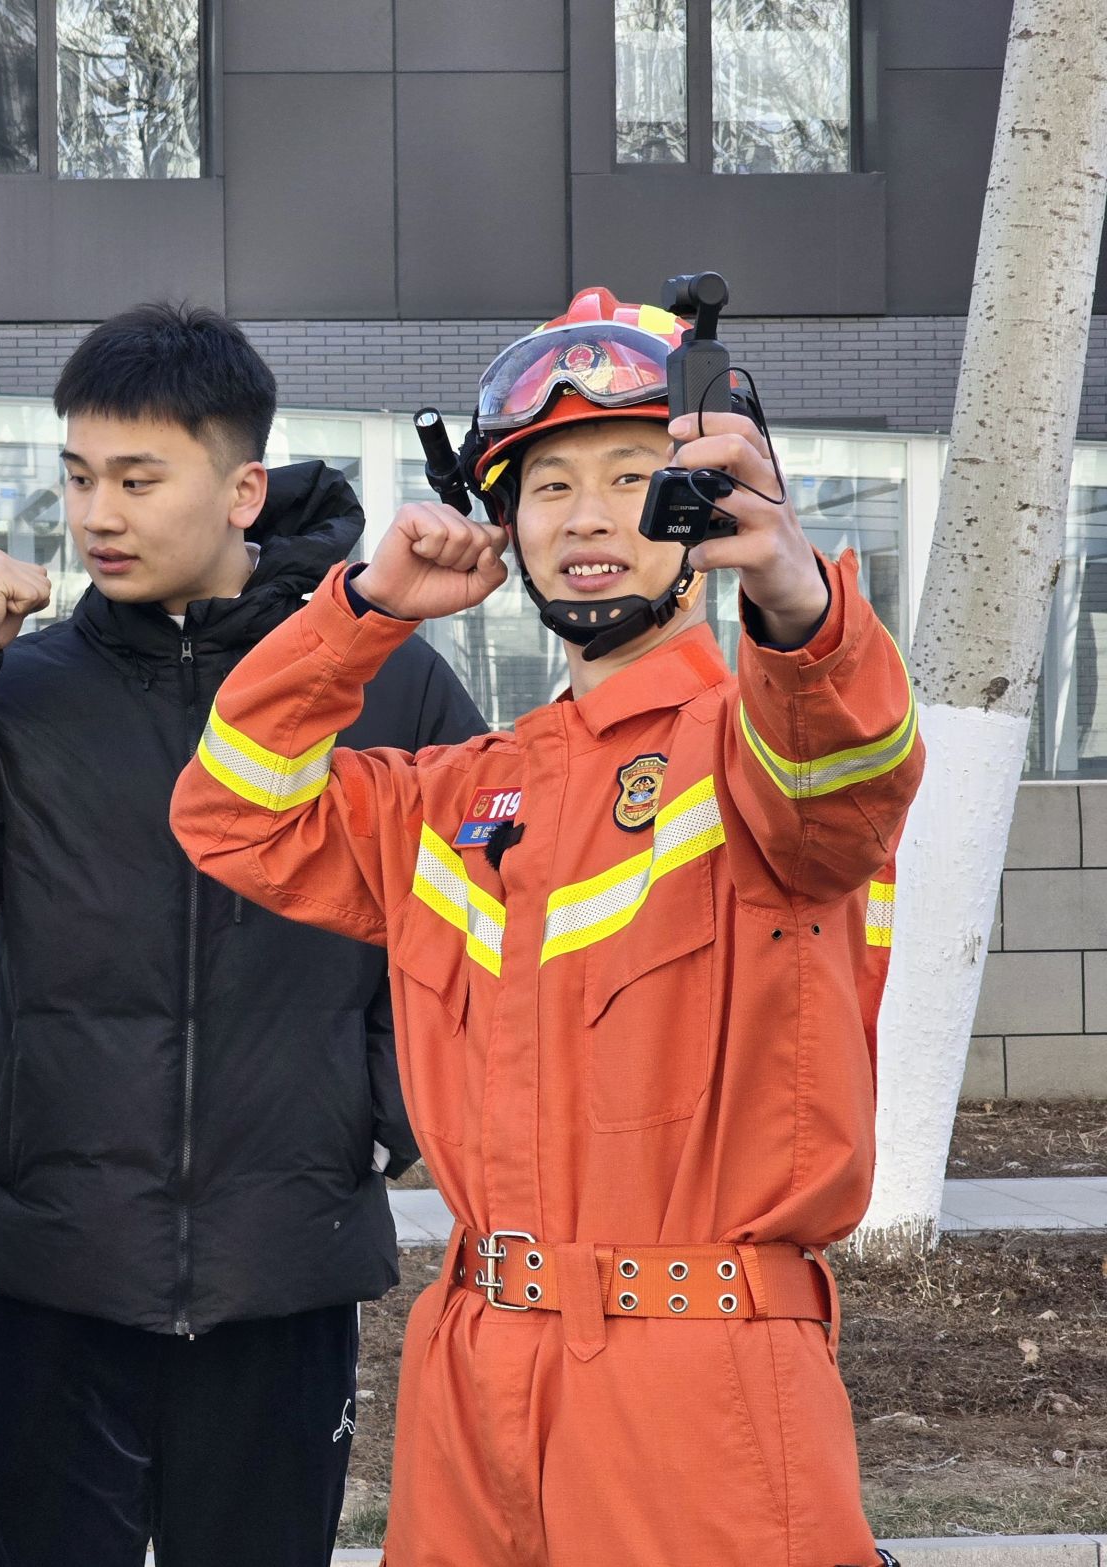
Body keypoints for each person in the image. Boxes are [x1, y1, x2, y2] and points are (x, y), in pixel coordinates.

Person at [170, 287, 923, 1567]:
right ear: (503, 523)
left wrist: (795, 600)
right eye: (546, 485)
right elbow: (232, 811)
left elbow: (842, 769)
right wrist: (362, 612)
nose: (584, 517)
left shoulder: (762, 741)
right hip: (472, 1379)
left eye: (631, 477)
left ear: (703, 505)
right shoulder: (460, 794)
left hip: (698, 1389)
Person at [0, 302, 486, 1567]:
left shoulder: (383, 681)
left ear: (241, 490)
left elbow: (470, 930)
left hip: (277, 1274)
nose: (98, 515)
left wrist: (373, 1112)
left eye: (137, 480)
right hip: (49, 1273)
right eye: (78, 477)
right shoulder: (25, 684)